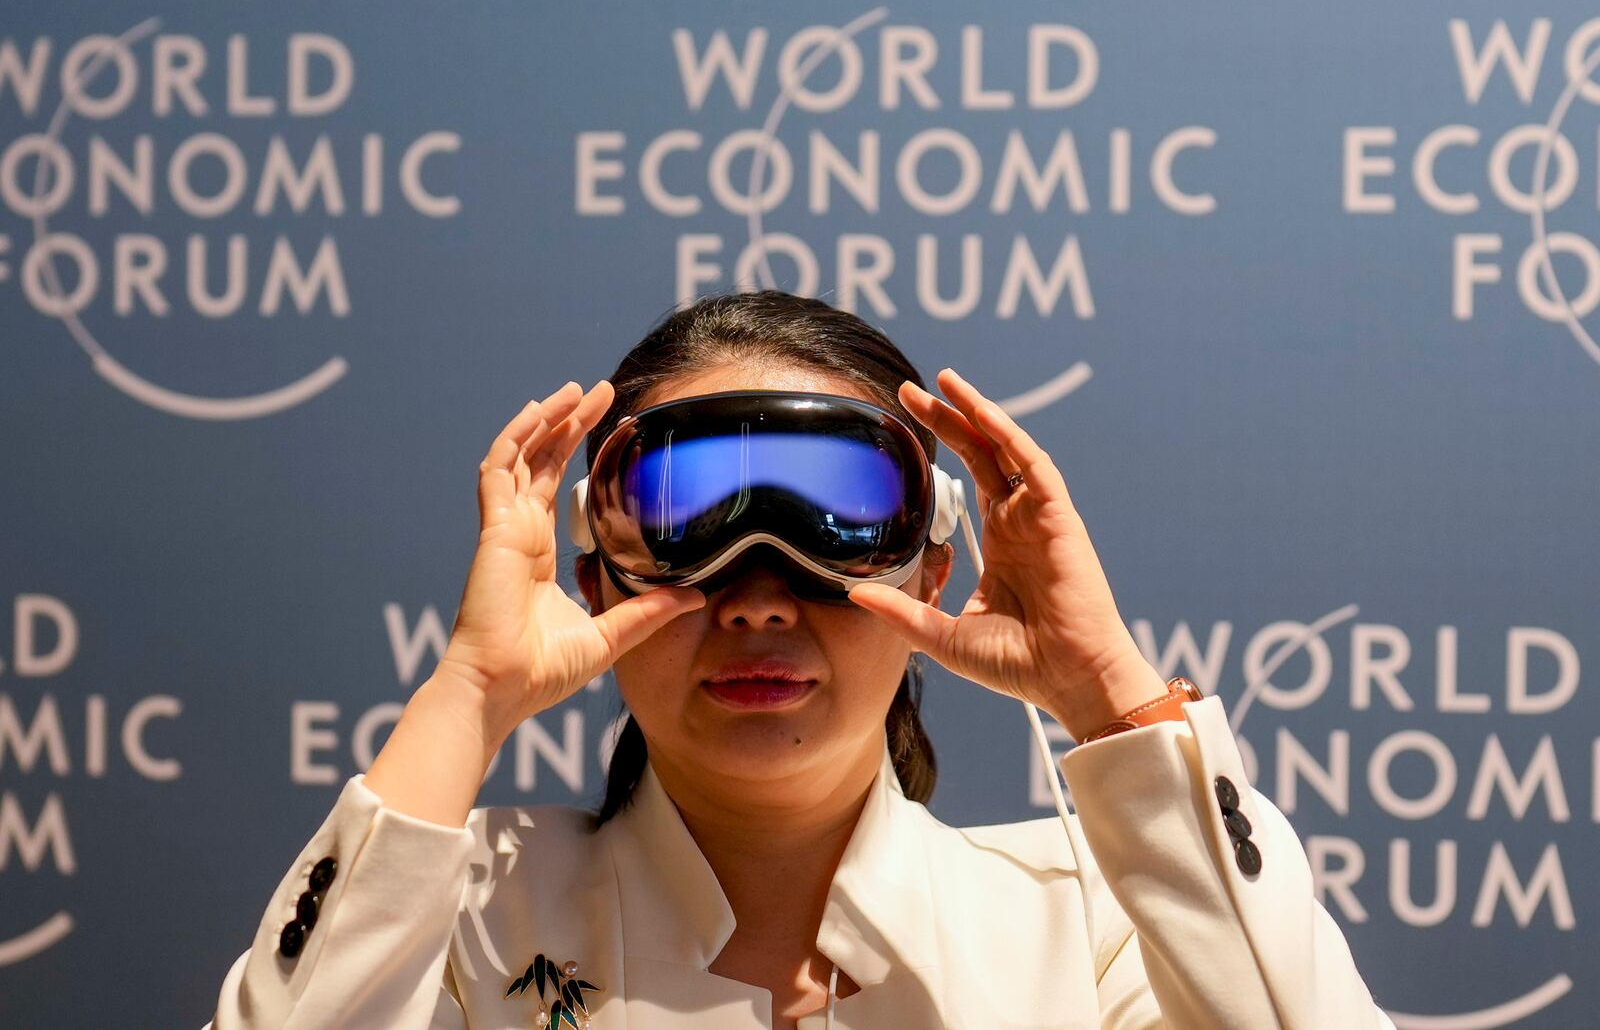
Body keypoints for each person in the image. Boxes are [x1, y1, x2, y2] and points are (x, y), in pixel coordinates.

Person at [208, 291, 1394, 1029]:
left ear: (931, 571)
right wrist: (467, 695)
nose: (761, 601)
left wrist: (1105, 692)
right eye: (693, 529)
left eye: (833, 524)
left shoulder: (1089, 925)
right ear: (591, 584)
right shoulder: (463, 913)